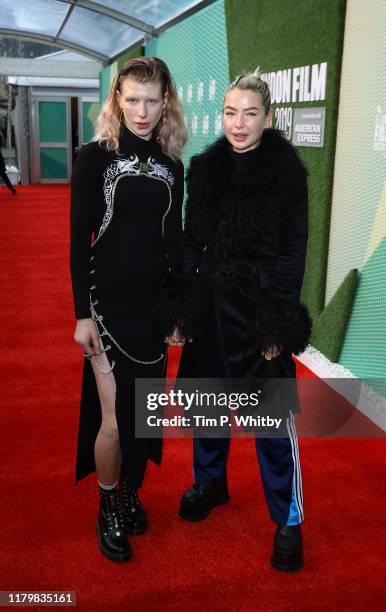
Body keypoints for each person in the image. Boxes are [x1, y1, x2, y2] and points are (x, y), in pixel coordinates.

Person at [177, 68, 311, 572]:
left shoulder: (286, 173)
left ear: (268, 117)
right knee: (204, 404)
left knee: (271, 423)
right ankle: (210, 482)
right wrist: (184, 309)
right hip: (210, 308)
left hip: (258, 311)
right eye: (231, 112)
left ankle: (289, 519)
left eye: (250, 113)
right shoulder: (205, 169)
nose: (238, 123)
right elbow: (193, 244)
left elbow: (292, 253)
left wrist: (277, 322)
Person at [70, 57, 187, 562]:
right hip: (107, 307)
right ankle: (107, 506)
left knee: (144, 416)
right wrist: (81, 314)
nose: (142, 111)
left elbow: (174, 242)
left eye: (152, 100)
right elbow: (79, 241)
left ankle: (131, 491)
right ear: (117, 100)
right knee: (115, 420)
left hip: (153, 310)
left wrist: (179, 309)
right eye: (132, 99)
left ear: (166, 103)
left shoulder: (172, 166)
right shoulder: (94, 157)